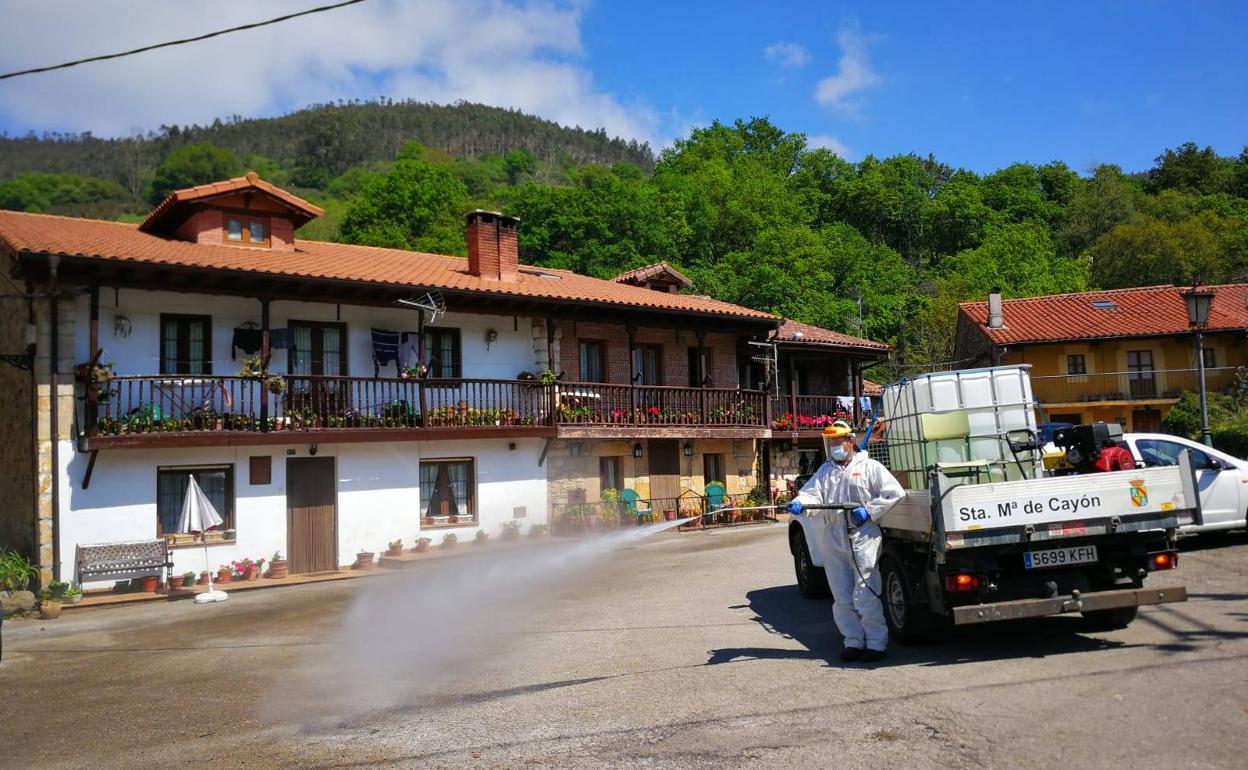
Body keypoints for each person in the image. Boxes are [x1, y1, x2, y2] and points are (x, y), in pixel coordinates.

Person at [786, 421, 905, 663]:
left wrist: (870, 511)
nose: (834, 446)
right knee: (841, 595)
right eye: (831, 442)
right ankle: (853, 641)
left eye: (838, 441)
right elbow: (811, 493)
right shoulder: (825, 471)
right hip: (833, 535)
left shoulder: (870, 467)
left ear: (851, 441)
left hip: (862, 536)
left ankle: (875, 643)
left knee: (865, 591)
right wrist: (801, 502)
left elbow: (895, 493)